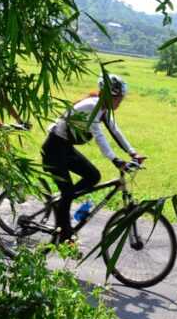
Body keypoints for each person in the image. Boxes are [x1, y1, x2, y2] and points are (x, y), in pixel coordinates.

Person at [42, 73, 144, 241]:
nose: (120, 102)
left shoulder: (103, 108)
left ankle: (62, 204)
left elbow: (115, 131)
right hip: (54, 148)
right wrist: (115, 160)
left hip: (65, 147)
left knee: (93, 176)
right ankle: (64, 234)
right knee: (67, 193)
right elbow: (99, 136)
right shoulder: (92, 106)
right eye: (119, 98)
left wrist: (132, 152)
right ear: (109, 96)